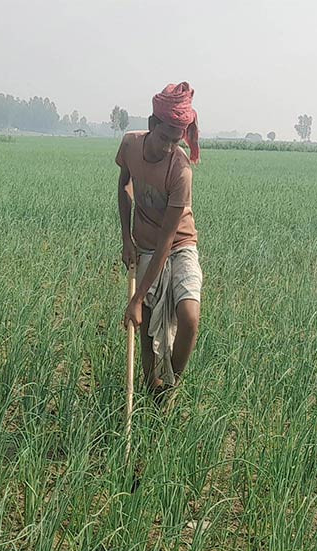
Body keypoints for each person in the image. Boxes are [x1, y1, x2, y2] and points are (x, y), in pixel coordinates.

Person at [117, 82, 203, 405]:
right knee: (147, 329)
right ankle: (149, 386)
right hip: (144, 244)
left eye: (176, 139)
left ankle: (169, 388)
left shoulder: (180, 170)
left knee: (189, 317)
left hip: (178, 243)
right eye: (165, 136)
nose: (170, 146)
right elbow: (124, 186)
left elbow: (169, 239)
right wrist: (127, 238)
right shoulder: (129, 146)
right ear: (152, 125)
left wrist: (136, 297)